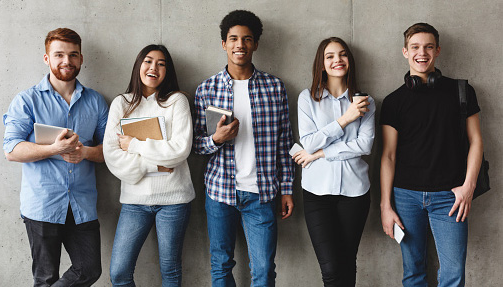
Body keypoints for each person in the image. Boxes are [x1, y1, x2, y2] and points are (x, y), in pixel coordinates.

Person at [193, 10, 294, 287]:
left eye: (247, 39)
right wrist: (216, 139)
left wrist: (287, 189)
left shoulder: (275, 88)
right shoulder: (206, 89)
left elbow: (285, 143)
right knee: (221, 265)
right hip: (219, 192)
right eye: (233, 39)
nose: (240, 44)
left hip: (262, 193)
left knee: (263, 269)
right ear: (224, 44)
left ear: (256, 44)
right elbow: (195, 145)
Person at [380, 23, 483, 287]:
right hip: (406, 198)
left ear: (437, 50)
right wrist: (386, 205)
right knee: (413, 272)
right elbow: (388, 156)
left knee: (453, 272)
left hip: (451, 198)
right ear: (405, 52)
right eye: (415, 47)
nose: (421, 53)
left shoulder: (461, 91)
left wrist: (468, 187)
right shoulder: (393, 101)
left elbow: (476, 141)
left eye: (428, 47)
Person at [2, 28, 108, 286]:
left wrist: (84, 152)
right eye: (59, 54)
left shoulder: (96, 102)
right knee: (45, 278)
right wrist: (54, 149)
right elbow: (11, 150)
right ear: (47, 59)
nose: (66, 61)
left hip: (82, 205)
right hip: (42, 203)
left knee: (89, 269)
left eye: (73, 55)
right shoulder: (26, 100)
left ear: (81, 59)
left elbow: (110, 150)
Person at [103, 44, 195, 286]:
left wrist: (134, 144)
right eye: (148, 61)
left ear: (167, 71)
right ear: (138, 66)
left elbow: (179, 149)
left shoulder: (177, 101)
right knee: (119, 273)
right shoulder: (121, 103)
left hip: (174, 200)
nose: (154, 67)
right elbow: (112, 155)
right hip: (134, 202)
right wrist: (154, 166)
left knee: (170, 272)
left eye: (161, 63)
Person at [292, 37, 375, 286]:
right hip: (317, 193)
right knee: (330, 268)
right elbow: (308, 142)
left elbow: (365, 146)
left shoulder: (366, 102)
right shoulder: (307, 98)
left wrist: (320, 154)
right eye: (330, 56)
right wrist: (345, 119)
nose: (337, 60)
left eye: (342, 54)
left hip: (355, 191)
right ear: (322, 63)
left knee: (348, 263)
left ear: (349, 60)